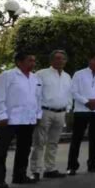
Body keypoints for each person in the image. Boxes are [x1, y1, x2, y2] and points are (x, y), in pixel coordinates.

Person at [0, 52, 42, 188]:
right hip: (9, 119)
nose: (33, 63)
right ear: (19, 62)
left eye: (34, 61)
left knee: (24, 149)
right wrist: (1, 115)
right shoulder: (7, 76)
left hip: (28, 119)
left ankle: (20, 176)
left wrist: (38, 115)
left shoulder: (35, 78)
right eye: (30, 60)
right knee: (2, 150)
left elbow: (38, 99)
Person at [31, 50, 71, 180]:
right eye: (58, 58)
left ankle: (50, 169)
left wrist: (68, 108)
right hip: (45, 112)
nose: (60, 61)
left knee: (53, 143)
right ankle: (36, 170)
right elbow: (35, 94)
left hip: (60, 113)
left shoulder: (67, 76)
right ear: (52, 60)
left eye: (63, 59)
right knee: (39, 142)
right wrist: (37, 113)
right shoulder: (41, 74)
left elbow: (69, 94)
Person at [68, 54, 95, 175]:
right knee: (77, 138)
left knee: (94, 139)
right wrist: (86, 102)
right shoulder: (79, 74)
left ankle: (92, 165)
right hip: (82, 110)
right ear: (89, 60)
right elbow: (73, 91)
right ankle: (72, 166)